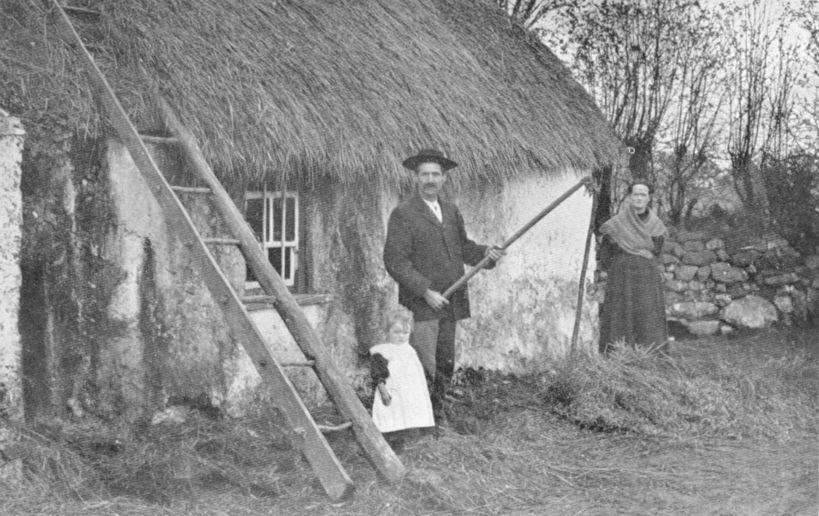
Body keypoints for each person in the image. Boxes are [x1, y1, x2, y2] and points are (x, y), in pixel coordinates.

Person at [383, 148, 504, 422]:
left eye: (435, 174)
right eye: (424, 174)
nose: (430, 179)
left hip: (450, 302)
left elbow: (463, 247)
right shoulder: (403, 214)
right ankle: (417, 420)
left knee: (445, 363)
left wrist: (486, 254)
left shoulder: (451, 211)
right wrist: (426, 291)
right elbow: (395, 261)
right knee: (423, 364)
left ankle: (436, 416)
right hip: (422, 306)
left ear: (444, 179)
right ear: (416, 178)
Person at [598, 180, 669, 354]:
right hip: (622, 275)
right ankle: (619, 353)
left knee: (647, 312)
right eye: (635, 194)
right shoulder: (617, 223)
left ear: (649, 198)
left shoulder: (656, 225)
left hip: (646, 276)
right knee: (621, 312)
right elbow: (606, 252)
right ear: (629, 197)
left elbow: (657, 250)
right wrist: (618, 265)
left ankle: (650, 353)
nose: (638, 198)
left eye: (642, 194)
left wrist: (640, 256)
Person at [369, 310, 434, 436]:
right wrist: (383, 392)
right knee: (392, 414)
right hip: (392, 390)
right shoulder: (382, 351)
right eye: (396, 332)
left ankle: (411, 431)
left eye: (405, 333)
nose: (401, 337)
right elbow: (378, 374)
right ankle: (393, 437)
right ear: (387, 332)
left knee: (410, 411)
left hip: (409, 390)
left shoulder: (411, 351)